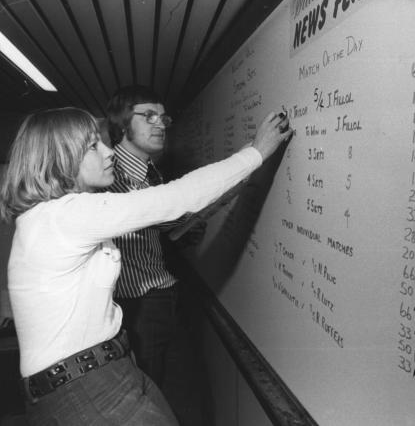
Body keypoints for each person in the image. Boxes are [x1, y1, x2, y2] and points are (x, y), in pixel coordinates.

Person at [0, 107, 291, 425]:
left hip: (102, 372)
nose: (109, 152)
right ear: (61, 158)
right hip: (84, 387)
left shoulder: (50, 217)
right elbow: (176, 197)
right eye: (93, 146)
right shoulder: (64, 215)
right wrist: (255, 153)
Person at [103, 85, 212, 423]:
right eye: (148, 116)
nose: (160, 124)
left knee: (176, 398)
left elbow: (149, 226)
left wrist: (180, 230)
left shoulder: (150, 172)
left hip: (160, 296)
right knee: (152, 405)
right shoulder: (109, 175)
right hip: (137, 304)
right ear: (122, 124)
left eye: (163, 118)